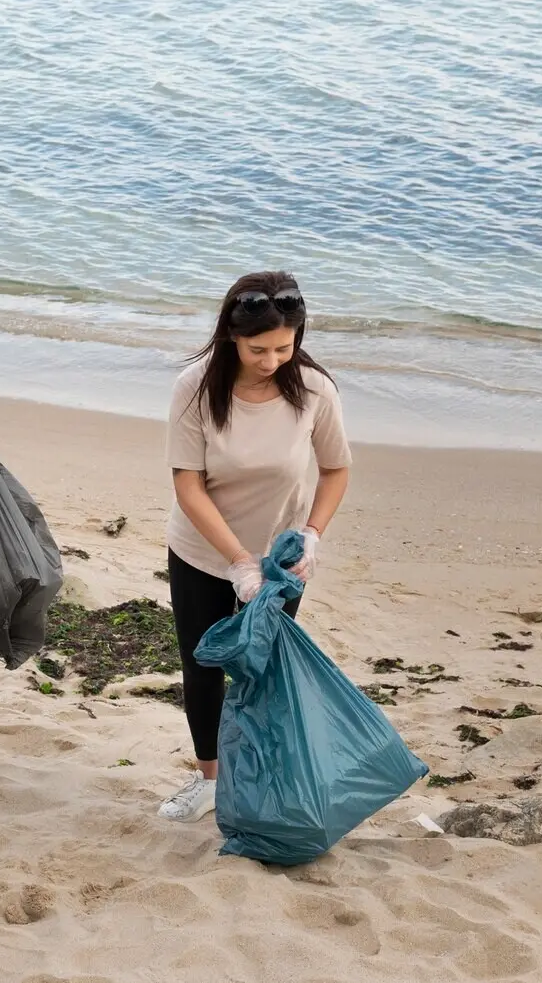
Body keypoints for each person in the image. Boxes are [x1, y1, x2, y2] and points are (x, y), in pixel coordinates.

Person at [159, 270, 352, 822]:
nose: (271, 361)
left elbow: (336, 471)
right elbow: (188, 485)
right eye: (258, 349)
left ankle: (264, 778)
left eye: (284, 348)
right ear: (230, 337)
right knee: (203, 665)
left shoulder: (314, 389)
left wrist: (311, 535)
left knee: (265, 670)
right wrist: (236, 561)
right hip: (201, 548)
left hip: (280, 560)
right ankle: (210, 781)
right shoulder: (195, 388)